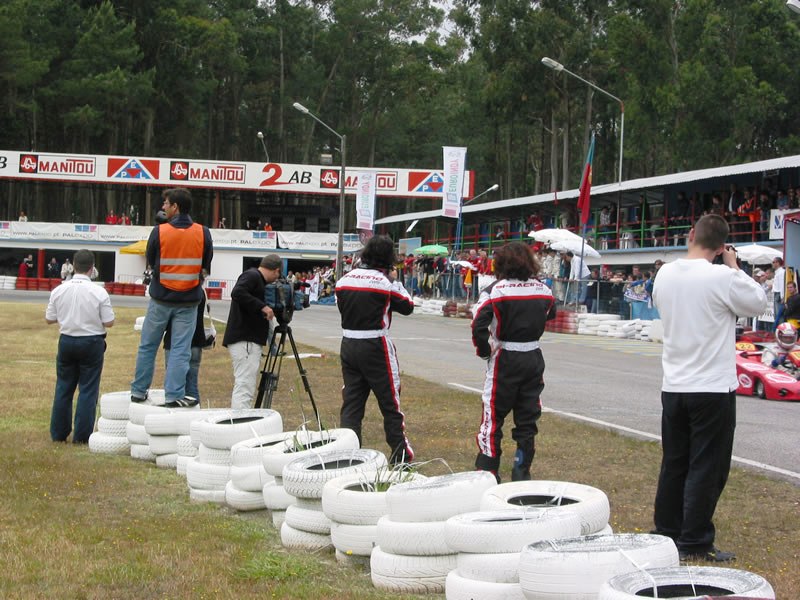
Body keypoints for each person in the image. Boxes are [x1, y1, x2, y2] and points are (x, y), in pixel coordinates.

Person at [651, 214, 766, 562]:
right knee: (707, 465)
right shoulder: (722, 277)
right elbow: (758, 302)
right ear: (720, 248)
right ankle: (696, 539)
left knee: (675, 462)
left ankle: (667, 531)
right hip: (712, 386)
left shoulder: (665, 273)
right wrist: (734, 267)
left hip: (674, 383)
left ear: (690, 236)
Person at [471, 242, 556, 483]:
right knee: (528, 416)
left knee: (493, 415)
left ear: (501, 263)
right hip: (533, 356)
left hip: (505, 357)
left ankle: (488, 470)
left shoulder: (495, 290)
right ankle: (521, 470)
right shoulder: (543, 289)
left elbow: (477, 324)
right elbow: (551, 313)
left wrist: (485, 351)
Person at [130, 188, 213, 408]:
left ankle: (138, 391)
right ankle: (173, 395)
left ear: (175, 207)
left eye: (166, 204)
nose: (163, 207)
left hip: (161, 299)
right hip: (188, 301)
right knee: (180, 350)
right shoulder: (203, 233)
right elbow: (206, 266)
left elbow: (151, 260)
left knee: (148, 346)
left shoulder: (160, 231)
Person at [335, 235, 415, 464]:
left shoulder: (344, 280)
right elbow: (407, 306)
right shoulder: (385, 283)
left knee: (352, 401)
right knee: (390, 401)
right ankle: (400, 454)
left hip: (348, 342)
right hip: (376, 344)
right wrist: (395, 280)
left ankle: (348, 454)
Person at [45, 249, 115, 443]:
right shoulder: (99, 292)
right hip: (91, 341)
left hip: (67, 339)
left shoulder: (59, 289)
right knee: (88, 389)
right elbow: (109, 322)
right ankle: (82, 436)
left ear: (73, 266)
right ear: (92, 268)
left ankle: (58, 433)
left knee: (64, 388)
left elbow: (49, 318)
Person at [222, 254, 281, 410]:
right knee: (245, 383)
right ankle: (240, 420)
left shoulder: (256, 279)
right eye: (278, 274)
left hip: (247, 339)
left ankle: (242, 416)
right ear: (276, 270)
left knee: (246, 383)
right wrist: (263, 306)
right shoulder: (252, 275)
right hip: (245, 339)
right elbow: (237, 292)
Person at [164, 291, 208, 403]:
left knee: (173, 384)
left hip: (175, 342)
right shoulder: (199, 293)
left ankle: (176, 413)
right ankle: (194, 415)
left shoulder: (174, 292)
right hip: (195, 341)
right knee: (192, 385)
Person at [771, 257, 785, 329]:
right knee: (776, 314)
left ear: (778, 263)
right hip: (777, 293)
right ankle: (779, 329)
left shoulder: (781, 272)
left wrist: (782, 296)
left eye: (773, 262)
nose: (772, 264)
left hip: (779, 294)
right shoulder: (778, 272)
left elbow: (782, 285)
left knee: (779, 314)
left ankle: (781, 329)